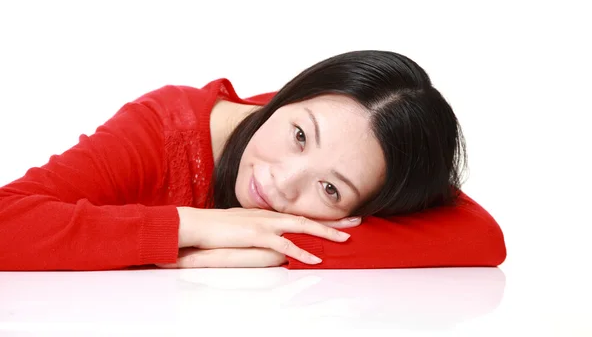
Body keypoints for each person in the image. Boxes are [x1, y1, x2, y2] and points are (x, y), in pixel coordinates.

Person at [0, 50, 506, 271]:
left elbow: (483, 239)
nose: (283, 183)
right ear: (287, 96)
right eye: (299, 135)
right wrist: (192, 228)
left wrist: (275, 246)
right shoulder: (164, 125)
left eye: (331, 190)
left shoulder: (362, 151)